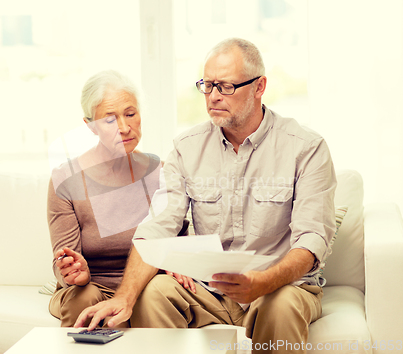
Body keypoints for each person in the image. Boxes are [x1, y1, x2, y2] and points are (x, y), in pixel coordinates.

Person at [74, 38, 337, 353]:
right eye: (207, 85)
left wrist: (262, 283)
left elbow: (311, 241)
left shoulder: (306, 147)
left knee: (281, 305)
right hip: (208, 292)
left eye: (225, 86)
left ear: (259, 86)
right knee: (155, 292)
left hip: (278, 288)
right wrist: (124, 297)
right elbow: (157, 227)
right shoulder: (187, 147)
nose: (213, 97)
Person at [47, 70, 163, 327]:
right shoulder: (66, 179)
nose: (124, 127)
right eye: (110, 120)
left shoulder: (160, 172)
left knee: (158, 294)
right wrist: (73, 273)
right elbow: (61, 260)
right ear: (90, 126)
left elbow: (176, 240)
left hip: (145, 285)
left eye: (130, 114)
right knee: (84, 297)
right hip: (90, 286)